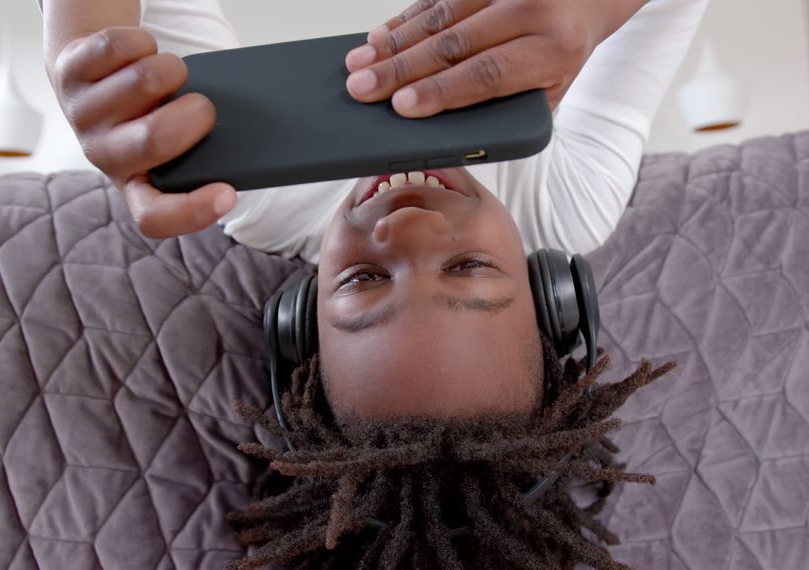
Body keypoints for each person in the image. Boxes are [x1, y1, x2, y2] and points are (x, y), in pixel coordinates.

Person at [40, 0, 707, 567]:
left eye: (363, 280)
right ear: (551, 294)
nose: (409, 230)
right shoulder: (565, 204)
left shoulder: (259, 194)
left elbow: (123, 42)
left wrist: (82, 35)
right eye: (468, 268)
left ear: (300, 320)